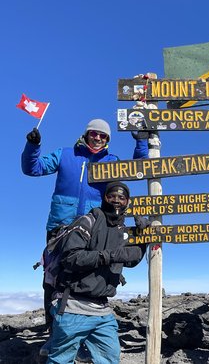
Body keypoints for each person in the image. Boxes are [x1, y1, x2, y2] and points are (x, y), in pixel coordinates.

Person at [21, 118, 148, 355]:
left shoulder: (111, 163)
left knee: (90, 277)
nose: (97, 138)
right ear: (86, 134)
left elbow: (138, 169)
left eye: (103, 136)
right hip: (60, 228)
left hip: (95, 228)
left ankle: (86, 338)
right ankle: (55, 337)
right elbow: (33, 168)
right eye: (94, 133)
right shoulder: (65, 155)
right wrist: (33, 146)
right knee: (53, 279)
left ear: (107, 140)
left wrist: (141, 141)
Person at [47, 181, 146, 364]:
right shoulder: (89, 220)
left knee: (110, 358)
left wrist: (143, 239)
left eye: (121, 197)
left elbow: (131, 259)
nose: (116, 201)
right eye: (111, 196)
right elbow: (70, 258)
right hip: (73, 307)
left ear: (128, 202)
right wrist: (108, 256)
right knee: (61, 360)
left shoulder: (122, 230)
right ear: (104, 198)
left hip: (102, 311)